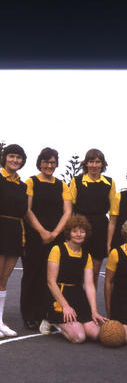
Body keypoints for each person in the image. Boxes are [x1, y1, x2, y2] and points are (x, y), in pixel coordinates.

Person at [20, 147, 72, 331]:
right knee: (32, 276)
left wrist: (55, 233)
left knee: (51, 277)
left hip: (55, 238)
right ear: (40, 163)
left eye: (52, 162)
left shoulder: (62, 185)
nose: (49, 165)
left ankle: (46, 314)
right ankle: (29, 315)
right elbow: (27, 210)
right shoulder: (31, 182)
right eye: (46, 162)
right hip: (35, 237)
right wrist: (42, 232)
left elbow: (67, 212)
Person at [47, 214, 107, 343]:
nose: (79, 234)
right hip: (59, 296)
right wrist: (66, 307)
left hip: (78, 296)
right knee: (79, 337)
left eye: (82, 231)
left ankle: (76, 323)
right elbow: (51, 282)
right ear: (69, 233)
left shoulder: (87, 256)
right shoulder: (57, 249)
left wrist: (94, 311)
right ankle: (53, 321)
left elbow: (90, 285)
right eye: (75, 231)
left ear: (86, 234)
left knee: (96, 334)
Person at [70, 148, 116, 288]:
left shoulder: (109, 183)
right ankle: (75, 304)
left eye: (98, 162)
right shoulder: (76, 181)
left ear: (102, 164)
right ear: (86, 163)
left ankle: (91, 308)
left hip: (100, 229)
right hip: (79, 229)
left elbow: (114, 214)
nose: (94, 165)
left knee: (94, 273)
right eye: (91, 161)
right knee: (76, 271)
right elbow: (69, 209)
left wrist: (109, 242)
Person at [0, 144, 28, 337]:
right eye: (12, 156)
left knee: (4, 279)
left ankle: (0, 321)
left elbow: (24, 212)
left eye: (18, 157)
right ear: (5, 158)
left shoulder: (22, 185)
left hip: (15, 231)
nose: (15, 160)